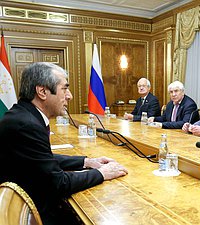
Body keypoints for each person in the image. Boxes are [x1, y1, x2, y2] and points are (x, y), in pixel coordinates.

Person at [0, 62, 128, 225]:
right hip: (34, 212)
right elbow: (58, 183)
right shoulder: (28, 125)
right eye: (64, 88)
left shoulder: (23, 115)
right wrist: (103, 173)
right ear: (42, 91)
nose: (70, 95)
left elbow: (43, 159)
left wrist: (86, 162)